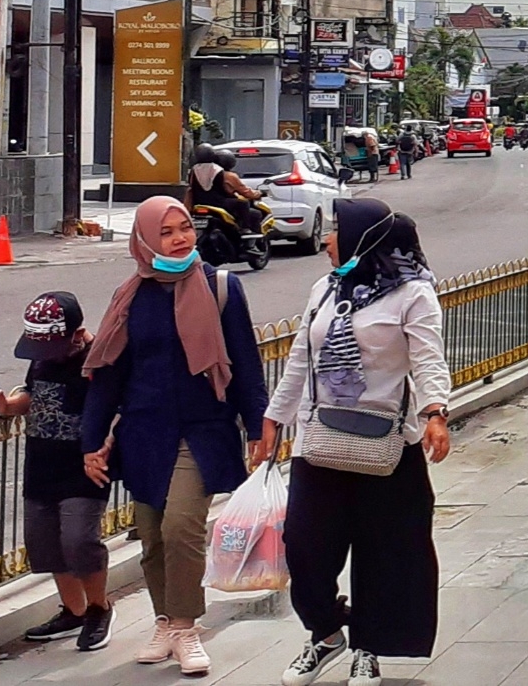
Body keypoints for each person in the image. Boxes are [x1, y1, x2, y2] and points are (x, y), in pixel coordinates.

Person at [258, 199, 450, 686]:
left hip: (388, 445)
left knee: (384, 550)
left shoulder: (412, 294)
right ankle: (325, 633)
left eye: (336, 231)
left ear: (365, 239)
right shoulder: (325, 289)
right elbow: (301, 358)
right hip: (320, 439)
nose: (326, 240)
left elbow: (428, 359)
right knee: (304, 546)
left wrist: (435, 413)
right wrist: (273, 419)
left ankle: (368, 646)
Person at [82, 197, 268, 677]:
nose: (181, 238)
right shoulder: (131, 297)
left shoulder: (220, 287)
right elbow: (109, 375)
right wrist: (91, 441)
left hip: (202, 429)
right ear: (145, 240)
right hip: (144, 432)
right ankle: (165, 620)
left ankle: (186, 626)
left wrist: (260, 424)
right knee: (151, 537)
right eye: (166, 232)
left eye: (184, 227)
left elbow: (245, 363)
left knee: (181, 525)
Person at [1, 292, 114, 652]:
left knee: (80, 539)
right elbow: (34, 395)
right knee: (45, 543)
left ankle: (99, 608)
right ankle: (73, 611)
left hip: (83, 464)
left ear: (77, 334)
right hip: (42, 461)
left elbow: (116, 408)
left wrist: (103, 448)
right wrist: (8, 405)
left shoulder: (99, 360)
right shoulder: (42, 357)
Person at [185, 145, 266, 257]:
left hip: (199, 204)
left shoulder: (193, 171)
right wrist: (258, 194)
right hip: (219, 203)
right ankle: (246, 231)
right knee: (245, 205)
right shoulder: (221, 172)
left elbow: (190, 189)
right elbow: (245, 192)